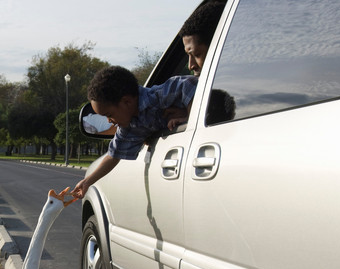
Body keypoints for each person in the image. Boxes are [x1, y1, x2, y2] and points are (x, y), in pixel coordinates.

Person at [71, 0, 226, 200]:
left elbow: (189, 86)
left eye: (109, 115)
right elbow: (113, 156)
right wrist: (86, 182)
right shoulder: (130, 128)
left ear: (127, 102)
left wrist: (190, 115)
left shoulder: (160, 95)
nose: (110, 122)